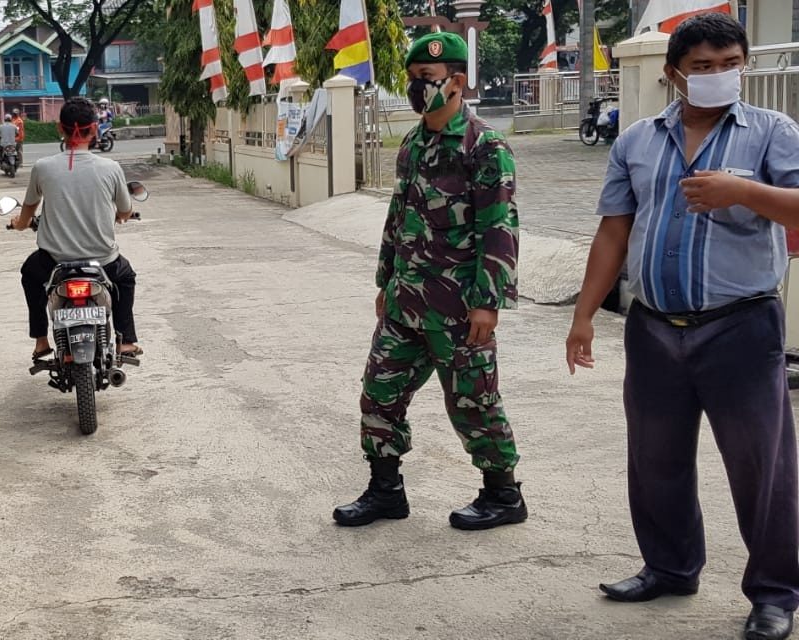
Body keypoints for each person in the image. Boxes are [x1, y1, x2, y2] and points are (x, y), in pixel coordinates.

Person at [567, 14, 799, 640]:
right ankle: (669, 567)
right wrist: (585, 314)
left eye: (731, 64)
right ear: (673, 75)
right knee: (655, 458)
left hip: (741, 326)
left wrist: (743, 192)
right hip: (653, 328)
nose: (720, 76)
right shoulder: (636, 141)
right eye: (703, 67)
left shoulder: (773, 132)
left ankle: (776, 593)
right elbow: (615, 228)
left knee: (762, 467)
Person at [332, 32, 525, 532]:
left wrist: (488, 303)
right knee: (379, 393)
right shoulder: (414, 143)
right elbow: (399, 219)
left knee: (473, 400)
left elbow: (498, 228)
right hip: (405, 300)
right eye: (414, 80)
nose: (418, 89)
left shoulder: (484, 146)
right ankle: (385, 491)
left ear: (457, 81)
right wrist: (385, 280)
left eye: (427, 80)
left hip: (458, 304)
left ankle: (503, 494)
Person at [9, 97, 141, 359]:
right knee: (125, 278)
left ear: (60, 128)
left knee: (30, 274)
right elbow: (124, 211)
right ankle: (126, 342)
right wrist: (120, 216)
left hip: (54, 262)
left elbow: (27, 214)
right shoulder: (111, 168)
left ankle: (41, 341)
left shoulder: (43, 167)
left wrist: (18, 224)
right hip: (103, 261)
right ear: (94, 129)